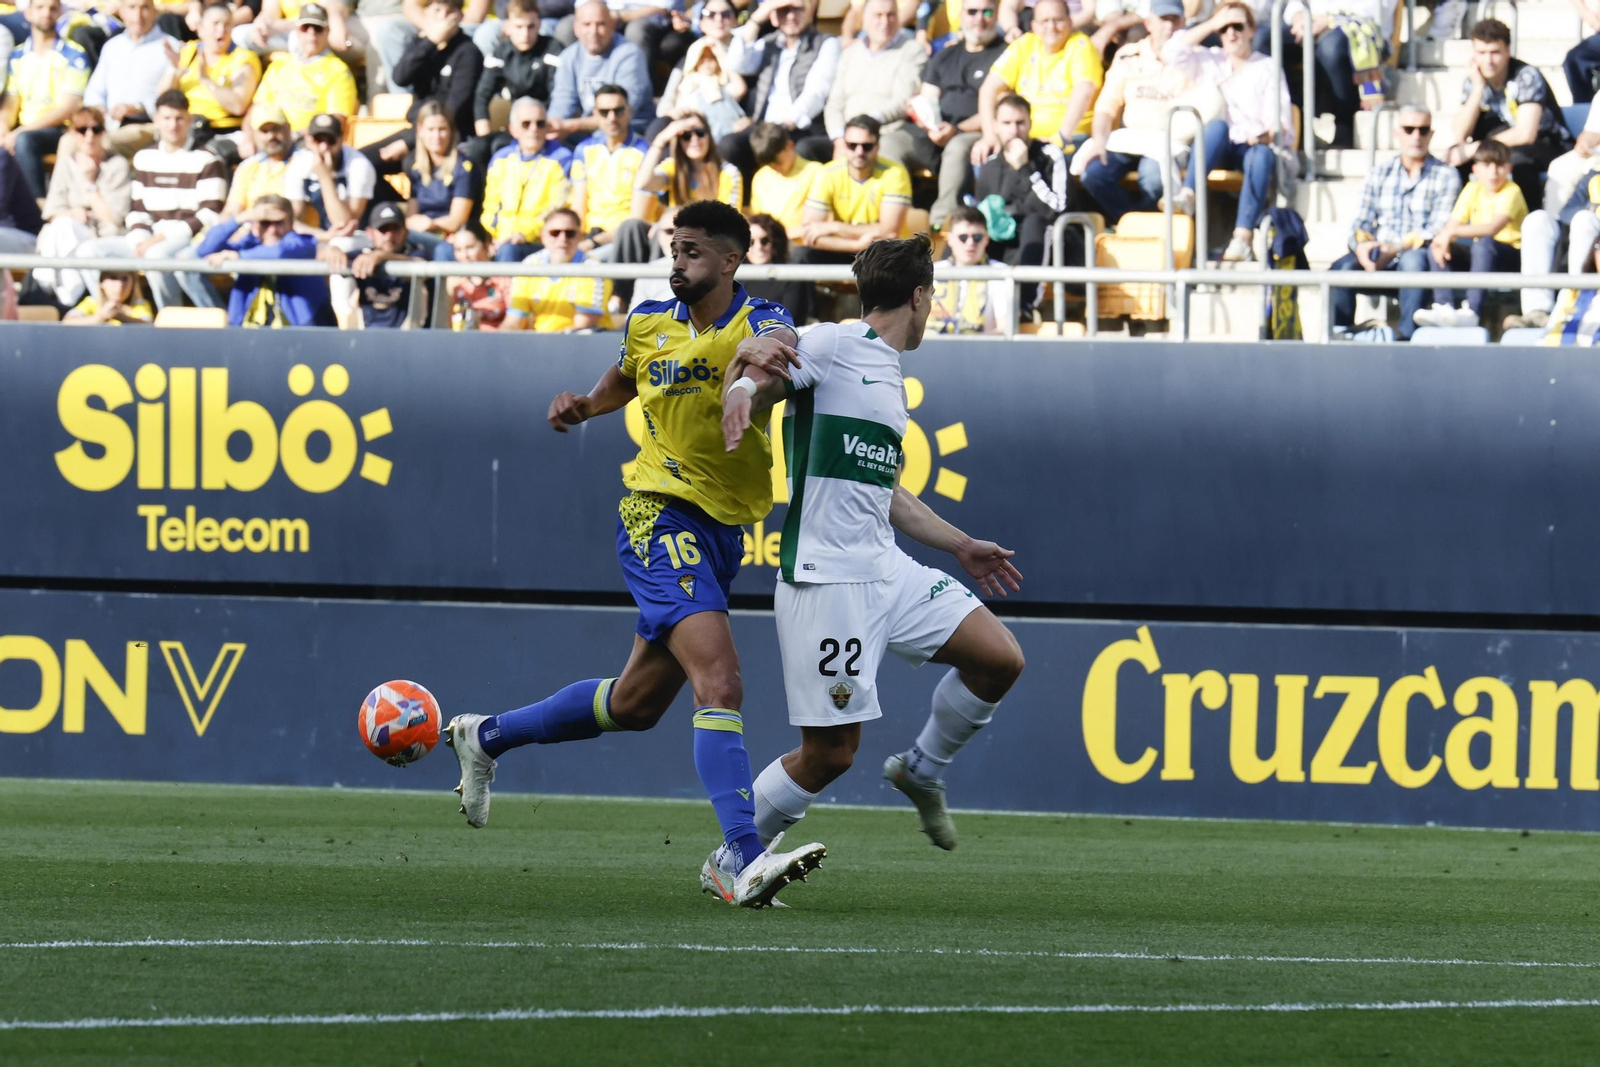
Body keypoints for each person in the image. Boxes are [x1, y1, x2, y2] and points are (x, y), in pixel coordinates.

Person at [444, 198, 824, 910]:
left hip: (722, 530)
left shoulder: (762, 318)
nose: (677, 263)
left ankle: (485, 735)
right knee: (722, 682)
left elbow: (773, 354)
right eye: (673, 250)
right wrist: (586, 405)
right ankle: (741, 856)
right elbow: (625, 375)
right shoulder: (648, 320)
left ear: (730, 260)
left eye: (692, 253)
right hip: (658, 514)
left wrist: (746, 384)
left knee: (635, 703)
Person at [717, 233, 1024, 870]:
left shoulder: (888, 375)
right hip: (826, 580)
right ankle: (732, 857)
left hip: (886, 568)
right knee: (830, 755)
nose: (933, 307)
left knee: (999, 659)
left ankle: (922, 768)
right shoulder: (834, 344)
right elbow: (767, 359)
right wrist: (743, 393)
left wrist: (961, 545)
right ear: (918, 296)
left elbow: (885, 493)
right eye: (933, 295)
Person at [75, 90, 229, 311]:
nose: (172, 125)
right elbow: (138, 208)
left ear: (189, 120)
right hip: (148, 238)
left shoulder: (207, 159)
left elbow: (209, 215)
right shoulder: (144, 157)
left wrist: (157, 239)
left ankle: (168, 321)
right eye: (166, 118)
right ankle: (105, 312)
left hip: (186, 239)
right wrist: (141, 236)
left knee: (156, 256)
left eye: (179, 118)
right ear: (156, 120)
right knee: (88, 251)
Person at [1174, 0, 1294, 261]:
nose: (1231, 33)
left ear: (1252, 30)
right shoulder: (1209, 60)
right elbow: (1173, 52)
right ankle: (1187, 194)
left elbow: (1280, 122)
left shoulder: (1267, 67)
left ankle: (1242, 238)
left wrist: (1261, 137)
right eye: (1224, 27)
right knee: (1216, 127)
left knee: (1261, 155)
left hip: (1251, 144)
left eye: (1238, 26)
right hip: (1214, 144)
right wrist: (1211, 23)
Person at [1330, 104, 1460, 341]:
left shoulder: (1447, 175)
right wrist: (1362, 247)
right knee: (1341, 269)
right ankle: (1340, 336)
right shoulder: (1380, 172)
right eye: (1409, 129)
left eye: (1423, 130)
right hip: (1380, 252)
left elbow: (1438, 227)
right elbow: (1362, 220)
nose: (1416, 136)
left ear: (1431, 134)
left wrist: (1396, 248)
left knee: (1413, 263)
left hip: (1416, 253)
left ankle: (1408, 340)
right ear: (1397, 133)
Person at [1077, 0, 1194, 226]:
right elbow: (1106, 105)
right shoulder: (1128, 55)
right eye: (1163, 19)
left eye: (1174, 20)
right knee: (1093, 175)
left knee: (1153, 179)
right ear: (1150, 23)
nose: (1169, 26)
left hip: (1169, 143)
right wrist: (1099, 140)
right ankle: (1133, 223)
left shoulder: (1194, 59)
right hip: (1128, 139)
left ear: (1183, 23)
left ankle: (1144, 228)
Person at [1443, 18, 1573, 212]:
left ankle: (1527, 227)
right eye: (1481, 53)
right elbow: (1460, 133)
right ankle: (1457, 228)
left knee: (1517, 164)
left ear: (1508, 51)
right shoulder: (1474, 79)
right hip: (1497, 144)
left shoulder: (1526, 75)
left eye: (1495, 52)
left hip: (1544, 144)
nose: (1488, 60)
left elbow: (1525, 133)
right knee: (1454, 163)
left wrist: (1477, 147)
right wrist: (1478, 88)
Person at [904, 0, 1006, 229]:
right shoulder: (946, 54)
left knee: (957, 146)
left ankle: (942, 225)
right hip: (937, 132)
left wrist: (957, 130)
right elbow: (928, 97)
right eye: (972, 11)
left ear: (997, 15)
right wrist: (924, 117)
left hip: (977, 132)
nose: (979, 18)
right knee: (891, 143)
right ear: (961, 15)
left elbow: (1000, 109)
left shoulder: (1006, 54)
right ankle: (896, 223)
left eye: (987, 12)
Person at [971, 0, 1100, 168]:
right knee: (986, 159)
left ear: (1070, 22)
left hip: (1070, 138)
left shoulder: (1080, 45)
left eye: (1058, 20)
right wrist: (989, 136)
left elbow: (1084, 92)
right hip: (1023, 137)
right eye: (1044, 21)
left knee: (1038, 164)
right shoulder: (1023, 45)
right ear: (1034, 25)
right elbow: (988, 89)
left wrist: (1060, 137)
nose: (1051, 27)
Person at [1412, 140, 1524, 329]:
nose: (1493, 172)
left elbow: (1492, 228)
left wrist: (1450, 233)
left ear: (1509, 167)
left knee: (1483, 243)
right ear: (1475, 169)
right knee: (1437, 246)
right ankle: (1443, 306)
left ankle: (1473, 311)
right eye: (1487, 165)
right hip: (1482, 255)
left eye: (1499, 165)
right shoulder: (1473, 189)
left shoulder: (1512, 191)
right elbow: (1453, 222)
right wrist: (1443, 239)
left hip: (1510, 255)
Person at [724, 0, 839, 173]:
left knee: (796, 148)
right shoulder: (768, 43)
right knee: (729, 146)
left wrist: (784, 125)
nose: (791, 16)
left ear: (809, 12)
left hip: (799, 127)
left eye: (797, 9)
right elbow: (736, 63)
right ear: (773, 15)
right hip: (764, 126)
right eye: (783, 10)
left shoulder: (826, 43)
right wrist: (756, 18)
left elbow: (816, 93)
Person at [35, 107, 131, 307]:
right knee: (63, 226)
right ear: (73, 134)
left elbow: (112, 218)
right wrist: (72, 212)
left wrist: (89, 184)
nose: (89, 136)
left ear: (103, 132)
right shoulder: (66, 163)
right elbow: (52, 210)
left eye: (96, 130)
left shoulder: (116, 164)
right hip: (68, 233)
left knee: (66, 230)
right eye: (82, 130)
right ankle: (67, 297)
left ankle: (57, 293)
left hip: (103, 235)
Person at [197, 194, 337, 326]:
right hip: (250, 334)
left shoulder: (302, 244)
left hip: (300, 337)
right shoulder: (249, 245)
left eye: (279, 223)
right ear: (254, 224)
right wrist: (242, 218)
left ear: (291, 223)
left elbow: (278, 253)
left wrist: (238, 258)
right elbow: (204, 250)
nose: (272, 230)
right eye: (265, 223)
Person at [1258, 0, 1382, 148]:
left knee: (1330, 47)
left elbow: (1372, 12)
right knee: (1263, 40)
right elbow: (1295, 6)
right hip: (1308, 24)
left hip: (1353, 30)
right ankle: (1297, 124)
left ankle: (1344, 127)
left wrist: (1328, 20)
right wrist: (1299, 17)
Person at [0, 0, 91, 198]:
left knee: (24, 141)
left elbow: (68, 108)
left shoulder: (75, 54)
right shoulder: (17, 55)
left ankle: (37, 205)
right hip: (24, 130)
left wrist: (20, 132)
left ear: (59, 13)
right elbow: (10, 102)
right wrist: (4, 130)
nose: (46, 13)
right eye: (40, 7)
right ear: (28, 13)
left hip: (59, 130)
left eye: (52, 8)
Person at [822, 0, 928, 165]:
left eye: (891, 15)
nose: (885, 22)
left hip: (886, 132)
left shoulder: (912, 51)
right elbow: (835, 102)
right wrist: (838, 138)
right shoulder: (850, 53)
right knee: (806, 149)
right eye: (878, 15)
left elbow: (903, 101)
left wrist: (863, 127)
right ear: (864, 20)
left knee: (882, 150)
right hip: (845, 136)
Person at [796, 115, 911, 263]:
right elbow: (809, 233)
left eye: (867, 146)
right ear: (844, 145)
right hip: (842, 248)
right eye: (852, 145)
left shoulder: (894, 173)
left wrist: (834, 227)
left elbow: (889, 231)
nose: (859, 152)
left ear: (878, 146)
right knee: (801, 256)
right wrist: (856, 245)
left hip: (882, 252)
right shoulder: (827, 173)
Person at [159, 1, 262, 147]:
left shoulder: (244, 59)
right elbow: (162, 100)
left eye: (226, 24)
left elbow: (238, 105)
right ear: (201, 28)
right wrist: (175, 70)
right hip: (183, 126)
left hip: (220, 130)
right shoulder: (189, 52)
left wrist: (205, 79)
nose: (221, 30)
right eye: (215, 24)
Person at [481, 97, 571, 261]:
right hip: (500, 239)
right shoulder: (501, 158)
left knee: (509, 250)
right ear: (513, 129)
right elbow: (490, 207)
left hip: (539, 240)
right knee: (450, 249)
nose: (534, 129)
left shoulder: (561, 159)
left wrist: (524, 234)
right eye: (526, 124)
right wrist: (492, 238)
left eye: (540, 123)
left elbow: (557, 208)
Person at [547, 0, 655, 138]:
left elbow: (621, 113)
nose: (594, 31)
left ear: (613, 26)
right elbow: (563, 101)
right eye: (587, 24)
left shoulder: (630, 55)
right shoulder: (569, 56)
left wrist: (570, 125)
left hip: (629, 131)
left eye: (601, 24)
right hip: (588, 131)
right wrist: (552, 126)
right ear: (576, 28)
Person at [250, 4, 359, 134]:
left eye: (318, 28)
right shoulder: (279, 65)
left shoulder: (338, 71)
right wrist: (248, 137)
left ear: (327, 31)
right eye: (305, 27)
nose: (311, 33)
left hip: (309, 143)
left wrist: (297, 137)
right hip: (270, 139)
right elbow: (256, 107)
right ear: (297, 31)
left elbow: (336, 121)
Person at [85, 0, 175, 158]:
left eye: (145, 7)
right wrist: (98, 109)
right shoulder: (112, 47)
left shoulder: (170, 47)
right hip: (109, 123)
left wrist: (138, 108)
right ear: (121, 12)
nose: (138, 15)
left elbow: (173, 98)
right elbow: (94, 91)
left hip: (147, 125)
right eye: (132, 7)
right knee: (68, 141)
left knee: (104, 143)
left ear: (155, 10)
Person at [1513, 170, 1600, 330]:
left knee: (1584, 220)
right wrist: (1593, 209)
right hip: (1582, 236)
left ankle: (1576, 306)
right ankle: (1537, 311)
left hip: (1592, 236)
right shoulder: (1594, 176)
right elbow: (1566, 212)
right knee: (1537, 220)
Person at [322, 200, 429, 326]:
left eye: (395, 229)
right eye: (383, 229)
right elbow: (320, 257)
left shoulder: (416, 252)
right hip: (367, 334)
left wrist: (381, 256)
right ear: (370, 233)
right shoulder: (363, 255)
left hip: (407, 335)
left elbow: (421, 267)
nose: (389, 235)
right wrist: (332, 250)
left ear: (406, 232)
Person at [503, 206, 614, 328]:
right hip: (540, 343)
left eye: (570, 233)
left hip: (582, 344)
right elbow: (513, 322)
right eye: (555, 233)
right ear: (543, 236)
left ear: (579, 236)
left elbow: (581, 329)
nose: (563, 239)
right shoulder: (529, 266)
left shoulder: (593, 270)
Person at [571, 85, 648, 258]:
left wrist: (593, 243)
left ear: (629, 111)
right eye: (605, 112)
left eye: (618, 111)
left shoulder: (645, 152)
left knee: (590, 261)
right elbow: (578, 207)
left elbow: (638, 219)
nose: (612, 118)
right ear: (595, 114)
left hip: (623, 239)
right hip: (588, 236)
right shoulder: (583, 150)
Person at [472, 0, 561, 149]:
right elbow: (482, 96)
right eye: (519, 27)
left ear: (539, 25)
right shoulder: (501, 53)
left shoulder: (553, 49)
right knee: (479, 148)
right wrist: (484, 137)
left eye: (530, 27)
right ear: (507, 27)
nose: (525, 34)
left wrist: (541, 128)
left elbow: (558, 97)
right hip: (517, 126)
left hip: (544, 125)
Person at [393, 0, 485, 137]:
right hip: (420, 128)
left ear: (460, 16)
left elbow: (455, 109)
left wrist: (407, 142)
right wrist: (431, 42)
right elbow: (400, 78)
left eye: (450, 12)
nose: (442, 17)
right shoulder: (420, 44)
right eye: (437, 10)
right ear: (426, 12)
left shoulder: (468, 52)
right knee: (366, 154)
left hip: (449, 133)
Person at [402, 100, 476, 259]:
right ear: (420, 131)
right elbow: (410, 217)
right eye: (431, 130)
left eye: (442, 129)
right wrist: (415, 223)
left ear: (451, 131)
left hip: (448, 238)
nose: (436, 136)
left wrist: (430, 224)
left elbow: (456, 221)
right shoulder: (417, 169)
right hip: (420, 234)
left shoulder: (463, 168)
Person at [286, 111, 377, 240]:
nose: (324, 147)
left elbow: (345, 224)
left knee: (343, 242)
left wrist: (325, 178)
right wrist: (323, 236)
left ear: (341, 140)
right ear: (309, 140)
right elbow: (292, 221)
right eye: (318, 140)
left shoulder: (359, 165)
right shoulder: (298, 164)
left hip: (358, 236)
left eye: (331, 140)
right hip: (319, 235)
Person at [929, 204, 1012, 332]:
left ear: (987, 240)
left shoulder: (1001, 273)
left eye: (977, 237)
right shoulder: (932, 273)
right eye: (963, 237)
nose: (970, 243)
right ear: (950, 239)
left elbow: (1005, 329)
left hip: (981, 350)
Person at [657, 36, 747, 143]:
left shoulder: (722, 84)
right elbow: (663, 110)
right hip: (697, 136)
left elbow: (740, 89)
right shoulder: (686, 85)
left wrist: (722, 55)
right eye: (702, 59)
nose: (707, 63)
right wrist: (674, 112)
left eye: (711, 59)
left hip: (727, 133)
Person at [748, 122, 818, 240]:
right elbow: (757, 220)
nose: (775, 169)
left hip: (800, 246)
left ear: (790, 146)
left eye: (779, 163)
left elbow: (817, 225)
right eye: (770, 166)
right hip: (768, 247)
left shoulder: (815, 172)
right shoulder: (761, 176)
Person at [223, 107, 298, 218]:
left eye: (276, 129)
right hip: (249, 229)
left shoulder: (304, 161)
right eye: (264, 131)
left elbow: (296, 213)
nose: (271, 136)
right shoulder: (247, 166)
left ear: (288, 128)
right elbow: (231, 210)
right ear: (255, 135)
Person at [742, 210, 814, 324]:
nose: (758, 247)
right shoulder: (736, 277)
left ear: (776, 243)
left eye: (765, 241)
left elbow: (790, 319)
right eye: (750, 242)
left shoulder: (790, 277)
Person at [444, 222, 513, 328]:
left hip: (498, 341)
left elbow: (514, 322)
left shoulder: (504, 280)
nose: (464, 255)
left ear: (486, 246)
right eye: (458, 250)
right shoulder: (453, 284)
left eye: (470, 248)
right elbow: (444, 326)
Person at [64, 269, 154, 324]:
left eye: (125, 279)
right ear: (101, 282)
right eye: (113, 278)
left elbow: (147, 326)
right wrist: (100, 317)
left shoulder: (140, 304)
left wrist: (120, 317)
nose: (120, 285)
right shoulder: (92, 302)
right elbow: (67, 322)